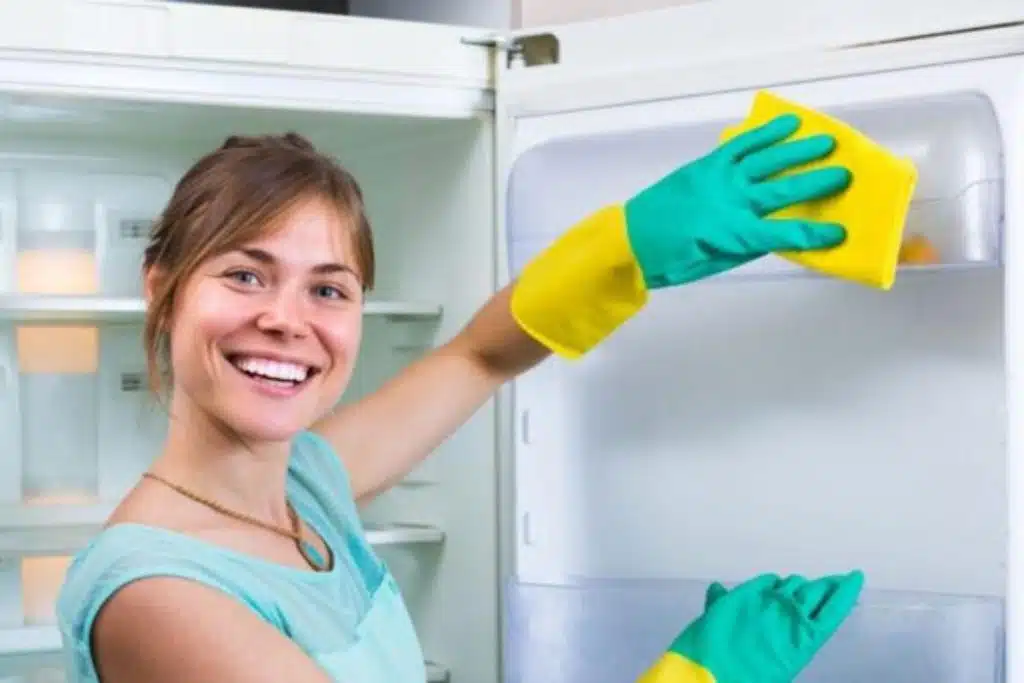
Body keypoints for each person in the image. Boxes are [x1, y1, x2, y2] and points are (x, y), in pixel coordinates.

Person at [56, 114, 863, 683]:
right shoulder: (159, 595)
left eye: (328, 289)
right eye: (245, 275)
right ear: (161, 289)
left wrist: (633, 246)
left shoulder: (304, 485)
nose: (286, 320)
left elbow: (479, 354)